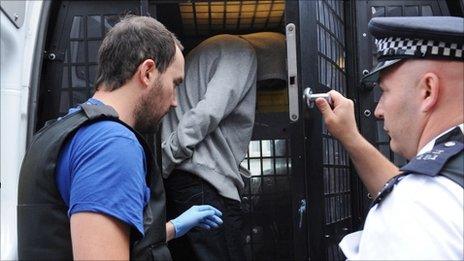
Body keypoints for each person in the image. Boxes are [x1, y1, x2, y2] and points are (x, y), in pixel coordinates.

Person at [17, 15, 223, 260]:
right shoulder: (111, 144)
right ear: (147, 72)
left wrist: (173, 228)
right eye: (175, 83)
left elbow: (91, 237)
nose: (175, 101)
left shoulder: (59, 132)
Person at [315, 16, 463, 259]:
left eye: (384, 91)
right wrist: (350, 137)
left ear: (428, 90)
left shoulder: (414, 210)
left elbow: (420, 199)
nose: (378, 111)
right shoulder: (432, 194)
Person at [161, 32, 286, 260]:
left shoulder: (213, 51)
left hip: (187, 179)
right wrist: (168, 155)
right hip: (203, 181)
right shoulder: (241, 51)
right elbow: (208, 112)